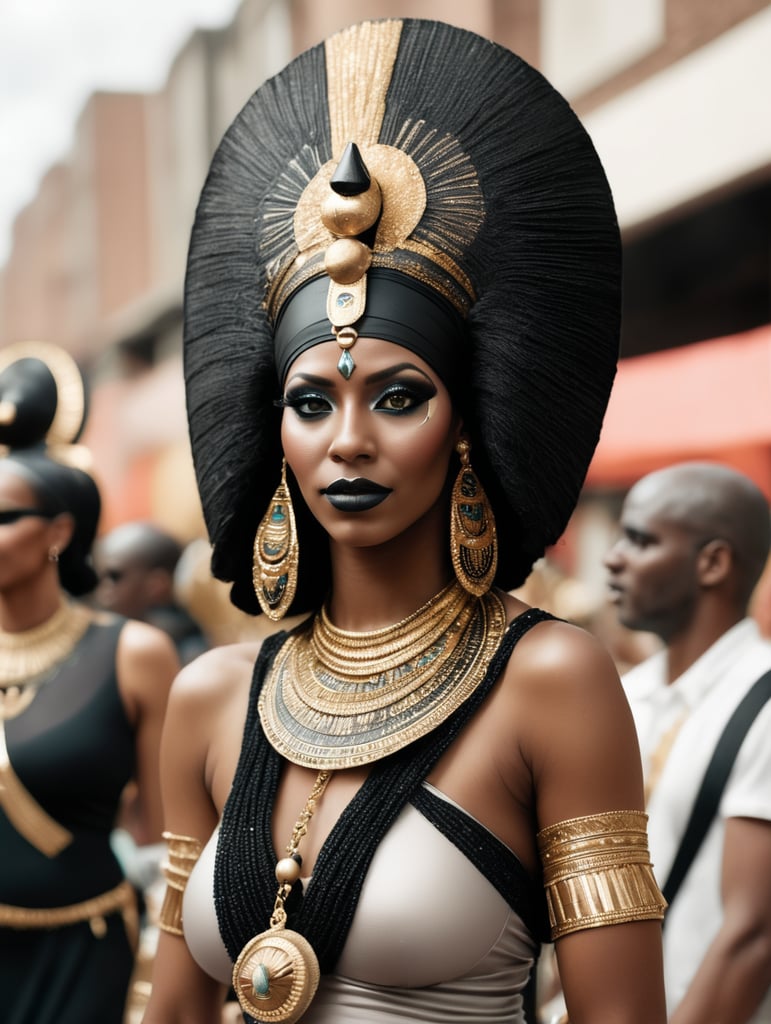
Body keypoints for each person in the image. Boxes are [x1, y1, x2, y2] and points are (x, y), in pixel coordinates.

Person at [143, 18, 667, 1024]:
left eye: (398, 396)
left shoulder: (551, 683)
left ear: (465, 423)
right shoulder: (210, 699)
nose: (347, 442)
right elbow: (168, 1010)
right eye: (311, 402)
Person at [0, 342, 180, 1024]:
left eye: (4, 518)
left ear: (59, 531)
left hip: (90, 954)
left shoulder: (133, 653)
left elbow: (170, 846)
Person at [604, 461, 771, 1023]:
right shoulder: (622, 693)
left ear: (714, 563)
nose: (612, 558)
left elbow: (754, 933)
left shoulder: (764, 701)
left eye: (640, 539)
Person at [95, 521, 209, 666]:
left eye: (114, 578)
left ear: (157, 585)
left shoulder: (192, 658)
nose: (102, 594)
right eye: (99, 579)